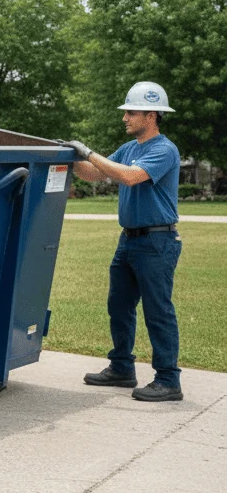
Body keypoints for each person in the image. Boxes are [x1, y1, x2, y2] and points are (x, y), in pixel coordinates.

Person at [63, 81, 183, 402]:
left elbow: (129, 176)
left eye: (131, 111)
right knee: (118, 305)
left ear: (152, 114)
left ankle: (169, 380)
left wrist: (88, 150)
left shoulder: (163, 149)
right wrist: (71, 156)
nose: (125, 117)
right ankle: (121, 368)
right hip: (128, 240)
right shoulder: (129, 149)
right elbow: (95, 173)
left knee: (158, 311)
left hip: (157, 241)